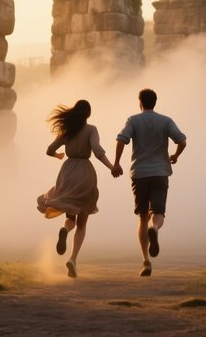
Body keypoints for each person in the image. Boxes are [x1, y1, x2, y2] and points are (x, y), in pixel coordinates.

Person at [36, 99, 117, 278]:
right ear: (88, 114)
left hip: (67, 172)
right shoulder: (91, 129)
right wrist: (112, 167)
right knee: (83, 222)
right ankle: (72, 259)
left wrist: (58, 156)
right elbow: (97, 151)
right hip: (85, 173)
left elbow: (49, 149)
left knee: (70, 216)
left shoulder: (67, 130)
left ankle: (65, 229)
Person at [112, 88, 186, 277]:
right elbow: (182, 140)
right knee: (158, 212)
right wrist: (175, 156)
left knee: (142, 216)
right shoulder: (165, 120)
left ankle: (146, 261)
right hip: (160, 172)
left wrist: (117, 162)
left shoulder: (133, 120)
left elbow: (121, 139)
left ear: (140, 102)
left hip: (140, 174)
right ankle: (155, 229)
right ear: (155, 102)